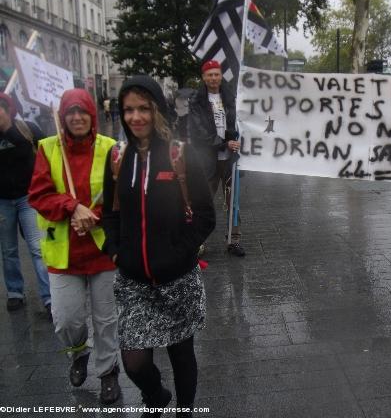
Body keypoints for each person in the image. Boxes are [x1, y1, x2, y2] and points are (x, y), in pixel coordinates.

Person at [103, 75, 215, 418]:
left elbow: (205, 216)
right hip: (135, 279)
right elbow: (109, 211)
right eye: (129, 110)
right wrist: (116, 250)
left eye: (144, 108)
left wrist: (180, 252)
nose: (136, 117)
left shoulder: (180, 153)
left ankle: (185, 410)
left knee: (182, 353)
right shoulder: (117, 156)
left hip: (177, 278)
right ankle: (155, 395)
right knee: (134, 361)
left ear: (158, 110)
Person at [28, 88, 121, 404]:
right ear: (62, 116)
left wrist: (93, 215)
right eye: (71, 112)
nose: (77, 117)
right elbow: (39, 195)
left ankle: (108, 371)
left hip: (102, 250)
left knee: (107, 319)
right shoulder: (47, 148)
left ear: (92, 115)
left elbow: (121, 195)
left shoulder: (110, 148)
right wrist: (71, 207)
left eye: (83, 111)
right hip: (63, 252)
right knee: (68, 319)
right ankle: (79, 352)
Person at [0, 93, 51, 314]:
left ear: (7, 110)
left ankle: (49, 297)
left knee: (37, 247)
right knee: (9, 249)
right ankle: (15, 292)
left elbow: (46, 152)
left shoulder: (27, 129)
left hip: (28, 198)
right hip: (3, 200)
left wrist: (7, 129)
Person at [188, 60, 245, 256]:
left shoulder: (232, 98)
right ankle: (197, 241)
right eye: (209, 75)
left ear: (221, 76)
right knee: (203, 201)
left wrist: (237, 141)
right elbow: (198, 132)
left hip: (229, 160)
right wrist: (223, 144)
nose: (213, 78)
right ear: (203, 77)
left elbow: (240, 124)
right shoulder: (196, 100)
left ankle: (233, 240)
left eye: (216, 74)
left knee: (233, 201)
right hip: (207, 159)